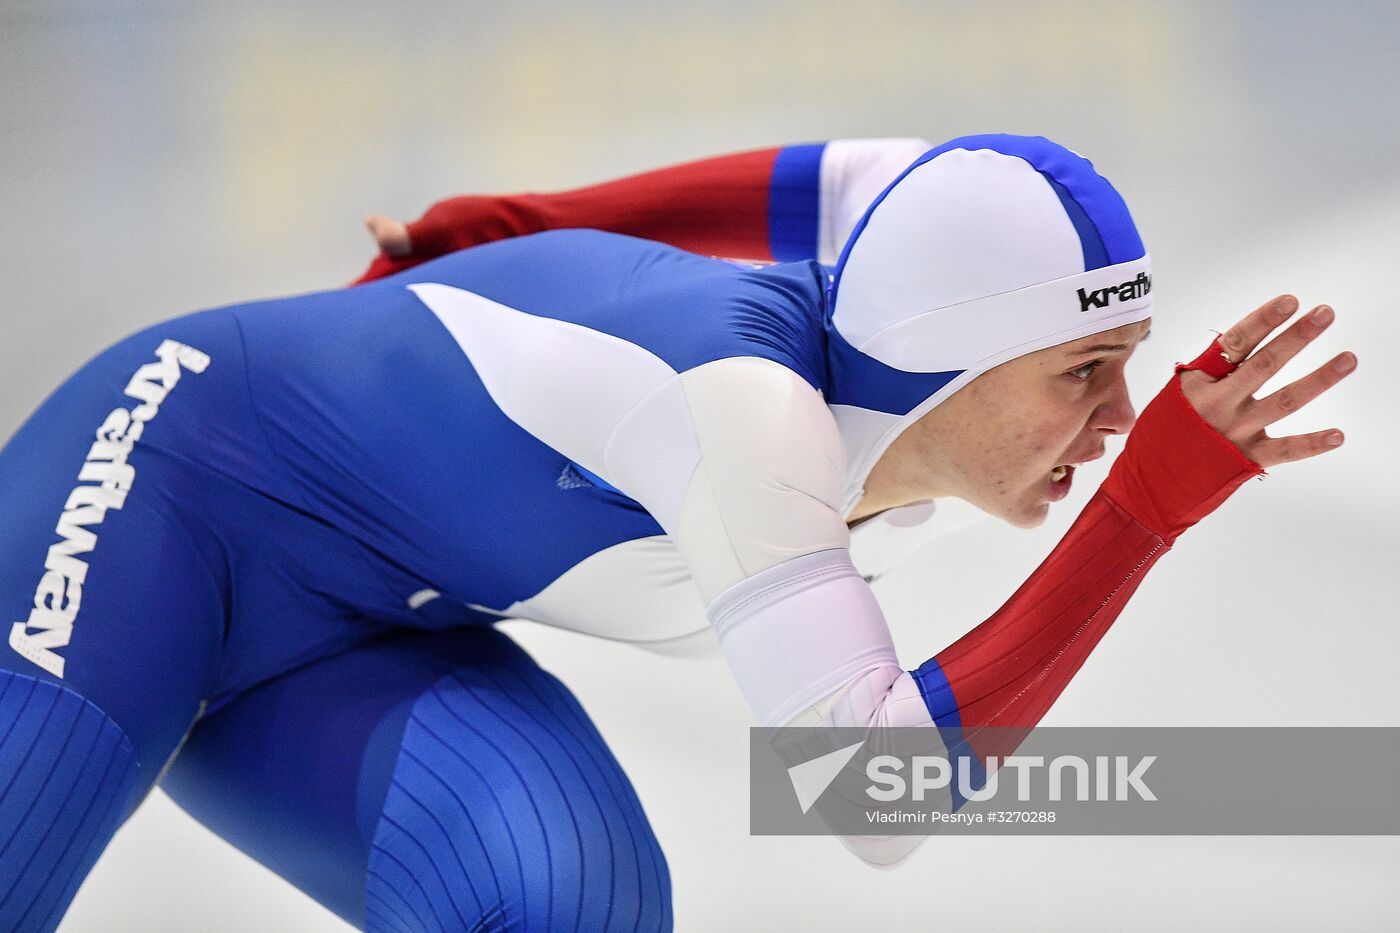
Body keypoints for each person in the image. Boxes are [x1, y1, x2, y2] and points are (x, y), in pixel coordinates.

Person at [0, 134, 1353, 933]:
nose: (1121, 414)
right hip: (158, 490)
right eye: (1084, 373)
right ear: (951, 357)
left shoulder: (931, 236)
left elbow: (815, 177)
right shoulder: (744, 418)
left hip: (364, 623)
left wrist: (532, 221)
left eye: (1128, 365)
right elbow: (873, 797)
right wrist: (1144, 511)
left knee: (569, 898)